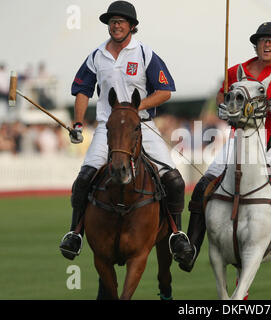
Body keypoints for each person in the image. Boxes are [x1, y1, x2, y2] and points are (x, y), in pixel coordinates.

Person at [59, 1, 194, 266]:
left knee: (174, 180)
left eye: (121, 21)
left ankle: (176, 234)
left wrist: (136, 108)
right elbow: (82, 91)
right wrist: (77, 123)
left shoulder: (144, 53)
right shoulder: (97, 55)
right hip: (107, 127)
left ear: (132, 26)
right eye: (112, 21)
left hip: (141, 124)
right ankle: (75, 233)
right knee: (84, 179)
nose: (116, 25)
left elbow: (165, 91)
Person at [183, 22, 271, 280]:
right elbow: (221, 98)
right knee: (203, 184)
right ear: (256, 44)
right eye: (262, 40)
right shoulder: (236, 71)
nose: (267, 44)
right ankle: (192, 246)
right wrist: (222, 107)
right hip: (238, 141)